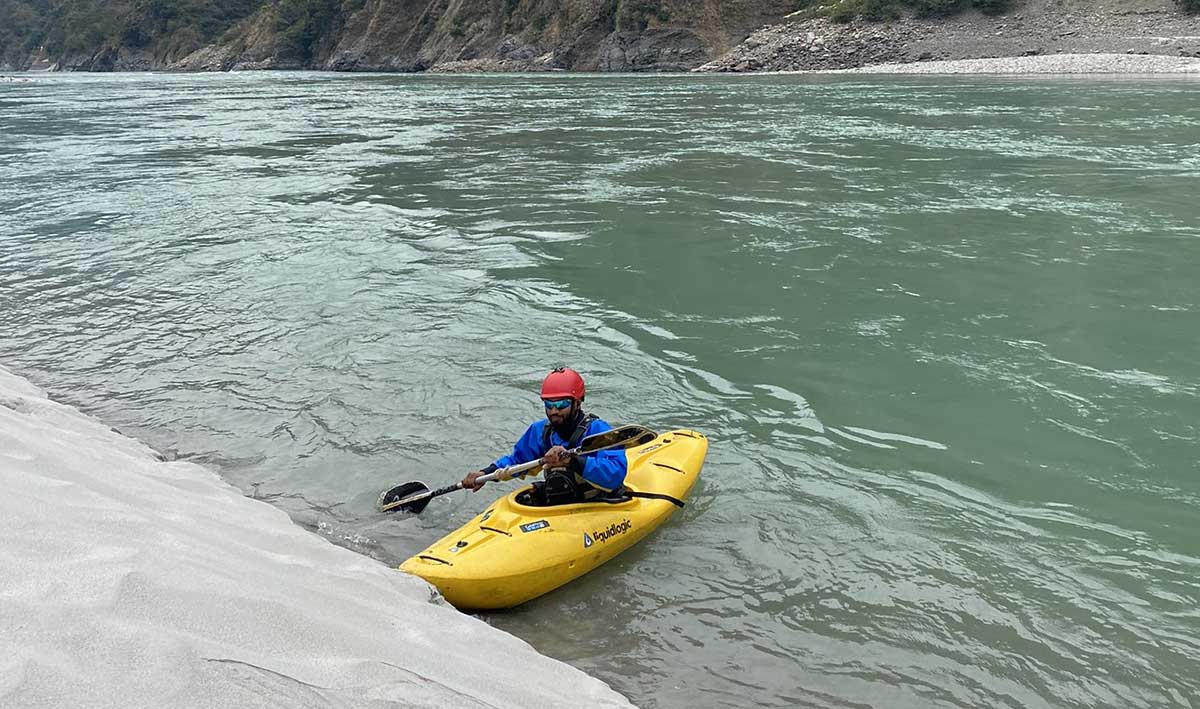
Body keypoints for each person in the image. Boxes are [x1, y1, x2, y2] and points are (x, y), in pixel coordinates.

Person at [461, 367, 628, 505]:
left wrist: (572, 460)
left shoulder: (598, 430)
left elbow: (615, 473)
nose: (554, 411)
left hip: (597, 502)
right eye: (549, 404)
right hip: (562, 500)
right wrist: (485, 474)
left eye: (561, 404)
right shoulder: (540, 431)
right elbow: (517, 462)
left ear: (577, 403)